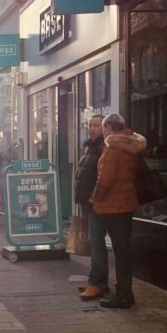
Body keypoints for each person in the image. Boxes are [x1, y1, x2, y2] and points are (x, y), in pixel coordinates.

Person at [90, 113, 146, 310]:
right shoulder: (131, 145)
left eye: (104, 127)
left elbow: (105, 180)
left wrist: (95, 198)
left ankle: (122, 295)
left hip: (113, 205)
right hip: (127, 202)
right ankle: (126, 292)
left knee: (120, 251)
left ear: (109, 128)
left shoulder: (113, 149)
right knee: (124, 251)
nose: (102, 131)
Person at [74, 115, 108, 300]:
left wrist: (94, 198)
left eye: (96, 125)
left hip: (96, 202)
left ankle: (97, 284)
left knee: (96, 242)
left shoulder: (104, 148)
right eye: (90, 125)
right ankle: (96, 281)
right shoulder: (89, 146)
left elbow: (102, 177)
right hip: (87, 201)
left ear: (105, 128)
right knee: (93, 241)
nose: (92, 128)